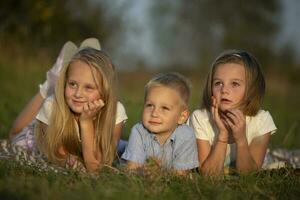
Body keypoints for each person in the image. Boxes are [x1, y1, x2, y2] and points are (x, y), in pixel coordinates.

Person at [9, 38, 127, 172]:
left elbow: (99, 165)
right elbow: (60, 158)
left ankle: (82, 63)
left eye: (88, 87)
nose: (78, 94)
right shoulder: (52, 106)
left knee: (124, 148)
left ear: (106, 90)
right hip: (37, 137)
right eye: (72, 84)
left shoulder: (116, 111)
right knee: (14, 134)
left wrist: (86, 122)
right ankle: (52, 82)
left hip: (79, 142)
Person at [189, 50, 277, 175]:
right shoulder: (201, 118)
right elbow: (209, 174)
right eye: (218, 83)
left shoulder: (261, 120)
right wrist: (222, 136)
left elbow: (248, 174)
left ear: (252, 90)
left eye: (235, 84)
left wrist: (241, 138)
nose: (224, 90)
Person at [122, 72, 199, 175]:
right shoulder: (139, 131)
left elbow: (180, 176)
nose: (154, 113)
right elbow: (131, 170)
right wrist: (146, 173)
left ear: (182, 117)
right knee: (118, 149)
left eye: (164, 108)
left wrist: (157, 174)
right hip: (135, 163)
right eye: (150, 105)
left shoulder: (186, 135)